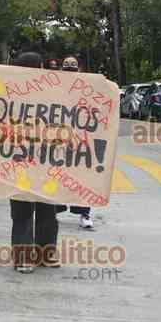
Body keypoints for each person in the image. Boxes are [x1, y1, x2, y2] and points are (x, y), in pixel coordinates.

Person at [8, 52, 60, 274]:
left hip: (45, 159)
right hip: (20, 160)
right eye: (39, 67)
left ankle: (44, 253)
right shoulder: (10, 93)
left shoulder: (51, 91)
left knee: (46, 207)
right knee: (23, 209)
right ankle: (25, 256)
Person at [55, 56, 94, 230]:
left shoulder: (88, 86)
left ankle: (84, 213)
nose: (69, 67)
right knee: (58, 174)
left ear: (79, 68)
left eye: (73, 65)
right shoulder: (55, 86)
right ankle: (54, 210)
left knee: (82, 177)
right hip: (59, 138)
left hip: (80, 139)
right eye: (66, 65)